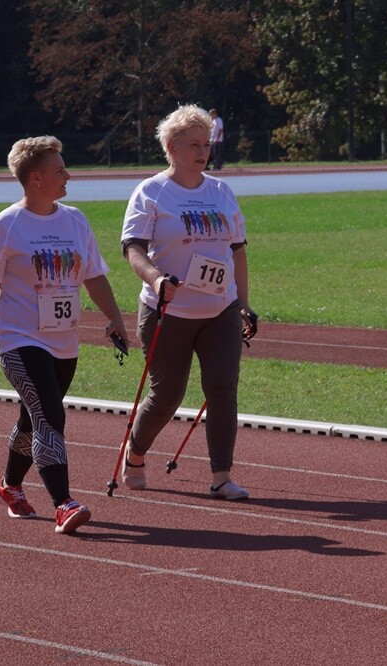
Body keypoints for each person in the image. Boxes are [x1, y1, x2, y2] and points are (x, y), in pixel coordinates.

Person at [0, 136, 129, 534]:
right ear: (36, 178)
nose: (68, 175)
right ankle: (64, 503)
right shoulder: (3, 226)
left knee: (33, 418)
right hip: (17, 337)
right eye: (60, 169)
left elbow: (94, 275)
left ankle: (9, 486)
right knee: (50, 413)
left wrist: (115, 317)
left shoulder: (75, 219)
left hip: (63, 339)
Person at [120, 104, 257, 500]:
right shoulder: (152, 191)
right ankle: (136, 452)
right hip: (169, 311)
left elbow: (238, 250)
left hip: (221, 309)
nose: (203, 151)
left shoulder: (221, 191)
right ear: (171, 147)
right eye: (193, 144)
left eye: (207, 144)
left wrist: (245, 303)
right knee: (167, 396)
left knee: (222, 390)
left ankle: (221, 476)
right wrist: (157, 279)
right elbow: (133, 249)